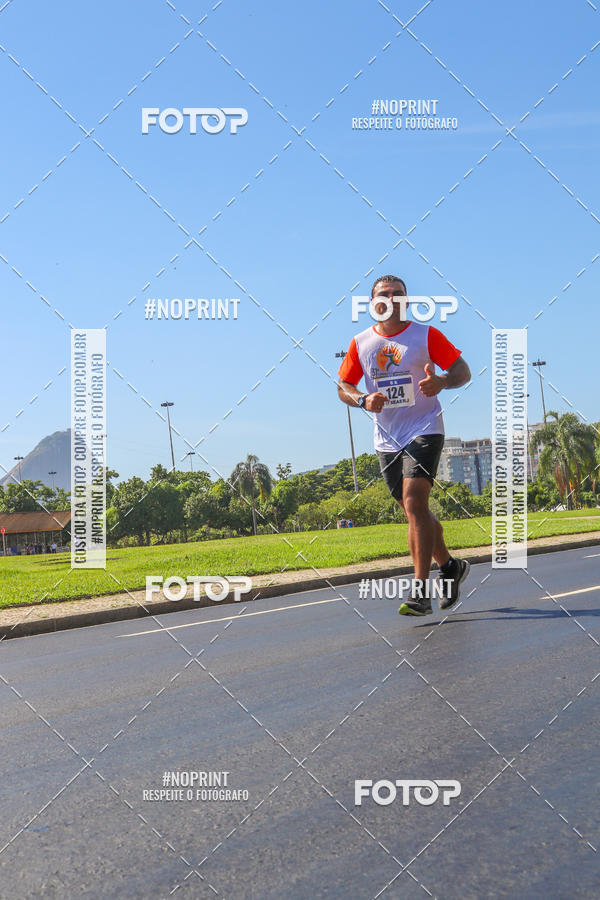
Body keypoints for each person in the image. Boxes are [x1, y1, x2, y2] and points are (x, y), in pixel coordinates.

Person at [337, 274, 472, 616]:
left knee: (414, 502)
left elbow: (463, 371)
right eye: (384, 294)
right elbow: (343, 386)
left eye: (398, 294)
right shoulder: (361, 343)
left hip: (425, 427)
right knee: (415, 511)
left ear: (406, 301)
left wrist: (441, 381)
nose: (391, 299)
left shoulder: (426, 335)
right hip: (387, 438)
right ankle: (450, 567)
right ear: (373, 303)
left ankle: (420, 592)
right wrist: (363, 399)